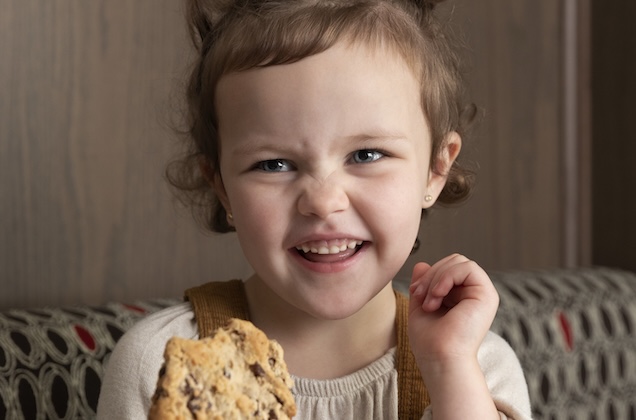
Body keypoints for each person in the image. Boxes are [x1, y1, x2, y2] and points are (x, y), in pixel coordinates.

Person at [97, 0, 532, 418]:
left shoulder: (475, 366)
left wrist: (448, 369)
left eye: (366, 155)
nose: (323, 202)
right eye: (274, 164)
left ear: (435, 171)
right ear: (223, 188)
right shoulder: (159, 365)